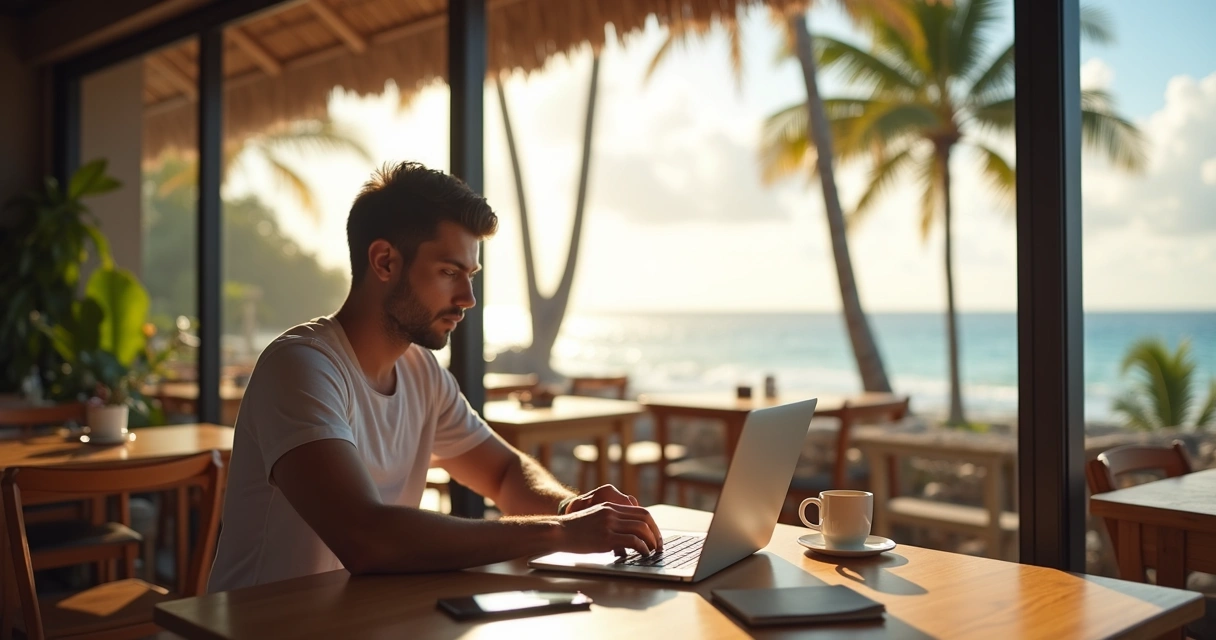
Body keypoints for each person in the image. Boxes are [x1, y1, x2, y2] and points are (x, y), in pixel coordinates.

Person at [207, 162, 661, 592]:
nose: (468, 298)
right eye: (449, 272)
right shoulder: (302, 367)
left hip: (362, 622)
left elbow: (503, 472)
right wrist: (559, 533)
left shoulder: (420, 371)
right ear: (385, 262)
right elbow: (367, 538)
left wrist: (567, 505)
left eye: (471, 275)